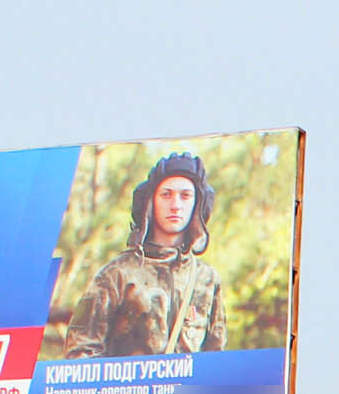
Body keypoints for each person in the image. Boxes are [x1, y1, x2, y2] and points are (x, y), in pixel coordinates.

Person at [59, 153, 228, 357]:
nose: (175, 205)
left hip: (187, 390)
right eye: (166, 194)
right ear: (150, 202)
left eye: (185, 196)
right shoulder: (118, 274)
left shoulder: (207, 279)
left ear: (198, 204)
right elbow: (80, 352)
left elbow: (215, 360)